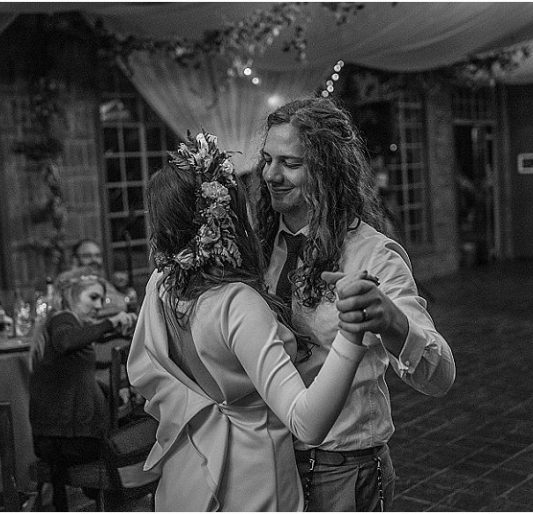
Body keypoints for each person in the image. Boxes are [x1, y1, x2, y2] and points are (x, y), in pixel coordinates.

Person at [127, 131, 370, 511]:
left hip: (188, 475)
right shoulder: (235, 303)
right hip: (251, 484)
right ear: (226, 216)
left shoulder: (161, 285)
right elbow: (307, 423)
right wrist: (351, 336)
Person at [252, 97, 456, 511]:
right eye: (267, 160)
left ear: (327, 170)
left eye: (290, 163)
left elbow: (441, 377)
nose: (271, 174)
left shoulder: (373, 254)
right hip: (268, 462)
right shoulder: (259, 246)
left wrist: (393, 322)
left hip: (343, 470)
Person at [28, 266, 136, 511]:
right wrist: (111, 322)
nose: (98, 306)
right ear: (71, 296)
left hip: (60, 440)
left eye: (102, 300)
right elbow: (66, 342)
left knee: (129, 432)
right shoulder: (62, 319)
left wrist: (110, 392)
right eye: (93, 297)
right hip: (64, 442)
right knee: (133, 441)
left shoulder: (70, 323)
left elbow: (73, 376)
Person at [71, 239, 136, 313]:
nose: (94, 260)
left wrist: (125, 293)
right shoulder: (73, 286)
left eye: (98, 256)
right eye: (87, 256)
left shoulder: (101, 281)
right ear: (75, 260)